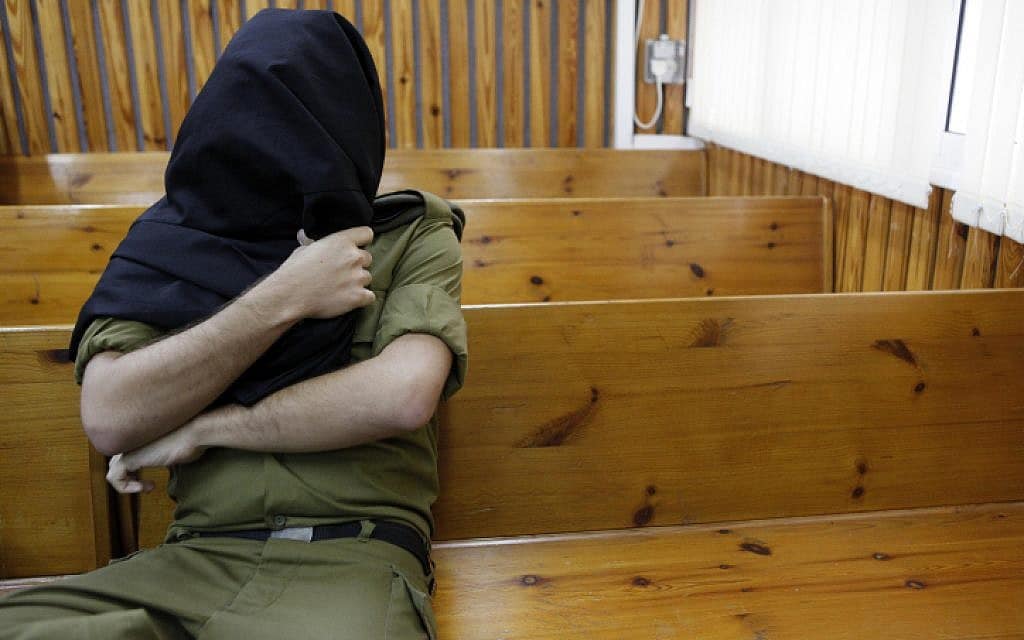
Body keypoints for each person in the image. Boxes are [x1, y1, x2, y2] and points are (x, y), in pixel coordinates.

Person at [0, 9, 466, 640]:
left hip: (349, 553)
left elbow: (402, 393)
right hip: (192, 560)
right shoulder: (172, 244)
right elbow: (110, 414)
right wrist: (284, 296)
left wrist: (205, 428)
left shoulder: (411, 234)